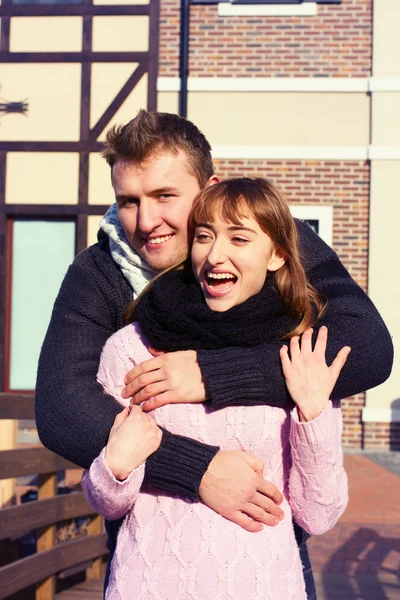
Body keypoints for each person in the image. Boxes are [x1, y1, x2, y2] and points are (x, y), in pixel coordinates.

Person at [35, 111, 393, 600]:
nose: (145, 221)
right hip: (152, 568)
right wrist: (196, 469)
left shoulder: (268, 238)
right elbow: (62, 406)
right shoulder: (99, 274)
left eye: (165, 196)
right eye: (128, 201)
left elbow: (367, 347)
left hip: (265, 560)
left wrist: (212, 374)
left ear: (208, 188)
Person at [82, 177, 350, 599]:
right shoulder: (132, 349)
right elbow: (107, 504)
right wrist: (115, 464)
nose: (215, 254)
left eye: (239, 238)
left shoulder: (298, 354)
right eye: (204, 236)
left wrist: (313, 416)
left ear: (277, 254)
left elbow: (318, 516)